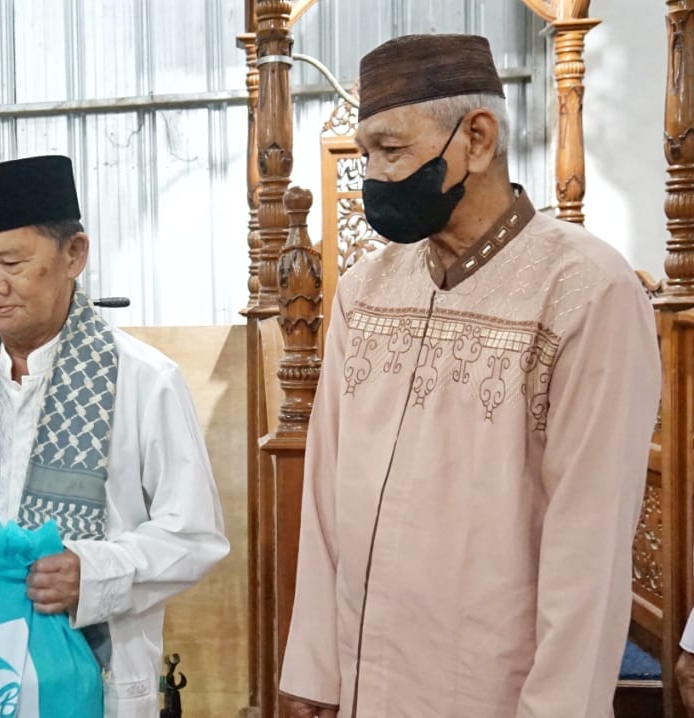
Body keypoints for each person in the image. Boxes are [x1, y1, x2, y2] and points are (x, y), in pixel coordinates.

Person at [278, 35, 661, 718]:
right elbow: (327, 493)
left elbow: (590, 542)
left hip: (493, 690)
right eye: (366, 154)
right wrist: (316, 669)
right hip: (366, 682)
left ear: (477, 139)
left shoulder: (583, 291)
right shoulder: (364, 290)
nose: (373, 176)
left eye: (391, 150)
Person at [0, 155, 229, 717]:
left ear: (74, 254)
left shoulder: (143, 378)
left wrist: (94, 572)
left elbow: (194, 535)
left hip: (95, 674)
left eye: (12, 262)